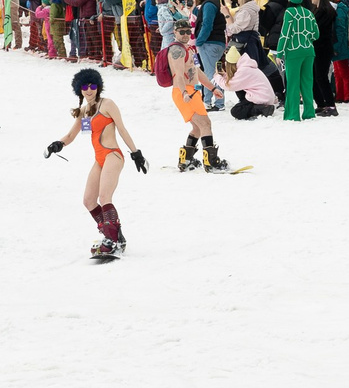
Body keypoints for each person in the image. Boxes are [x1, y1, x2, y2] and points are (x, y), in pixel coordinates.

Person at [46, 68, 145, 260]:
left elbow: (122, 129)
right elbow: (70, 135)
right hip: (99, 159)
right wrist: (57, 144)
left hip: (112, 156)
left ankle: (113, 239)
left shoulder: (107, 104)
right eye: (85, 86)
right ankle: (112, 234)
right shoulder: (83, 111)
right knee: (89, 200)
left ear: (98, 87)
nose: (89, 90)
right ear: (79, 89)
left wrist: (135, 153)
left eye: (92, 86)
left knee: (104, 196)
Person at [166, 30, 227, 171]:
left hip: (192, 91)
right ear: (175, 32)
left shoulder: (189, 48)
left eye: (188, 31)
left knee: (198, 127)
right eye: (182, 32)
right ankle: (211, 162)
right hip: (185, 92)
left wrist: (212, 88)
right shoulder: (176, 50)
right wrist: (184, 93)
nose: (186, 34)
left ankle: (186, 160)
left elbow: (197, 71)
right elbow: (179, 75)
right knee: (205, 124)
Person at [278, 0, 319, 121]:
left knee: (293, 84)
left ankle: (292, 114)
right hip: (309, 51)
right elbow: (316, 34)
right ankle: (309, 112)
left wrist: (280, 52)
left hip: (293, 51)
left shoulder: (290, 12)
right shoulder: (309, 13)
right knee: (307, 83)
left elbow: (285, 33)